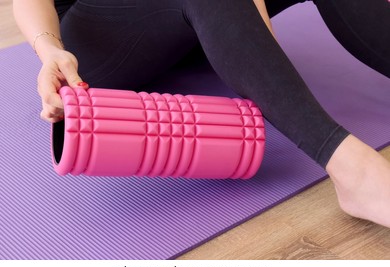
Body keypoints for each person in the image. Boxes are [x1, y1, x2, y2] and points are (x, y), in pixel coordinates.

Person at [13, 0, 390, 227]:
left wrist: (257, 60)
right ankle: (353, 172)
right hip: (90, 42)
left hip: (194, 17)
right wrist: (49, 52)